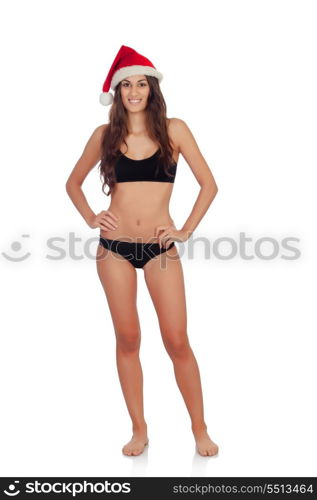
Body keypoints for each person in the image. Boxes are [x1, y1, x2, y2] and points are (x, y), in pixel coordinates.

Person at [66, 45, 219, 457]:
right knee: (128, 338)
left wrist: (185, 230)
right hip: (113, 250)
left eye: (141, 84)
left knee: (177, 340)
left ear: (152, 89)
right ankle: (139, 428)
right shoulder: (105, 136)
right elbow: (72, 183)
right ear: (117, 92)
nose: (134, 91)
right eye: (127, 84)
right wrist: (90, 217)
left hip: (159, 248)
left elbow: (210, 185)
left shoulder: (175, 129)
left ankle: (199, 428)